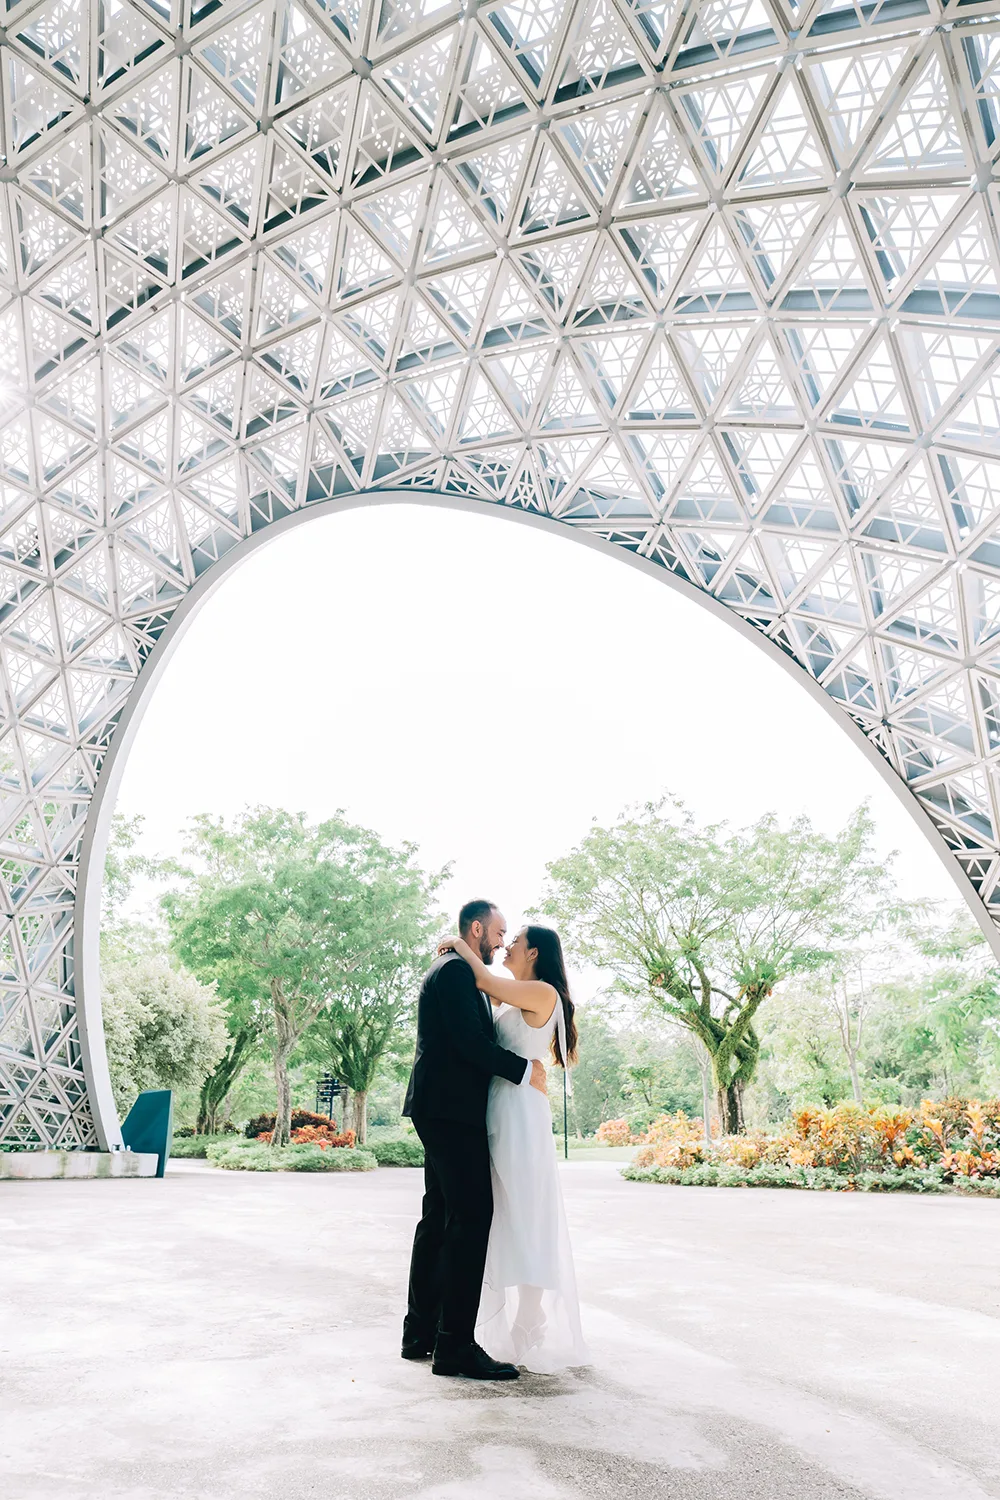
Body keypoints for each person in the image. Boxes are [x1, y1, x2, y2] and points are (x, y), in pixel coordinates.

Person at [401, 898, 548, 1381]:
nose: (504, 941)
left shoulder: (456, 968)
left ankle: (419, 1333)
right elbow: (471, 1045)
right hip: (451, 1111)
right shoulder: (456, 973)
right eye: (500, 932)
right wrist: (526, 1070)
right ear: (479, 928)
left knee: (440, 1216)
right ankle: (455, 1346)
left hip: (442, 1108)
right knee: (471, 1217)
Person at [437, 920, 590, 1374]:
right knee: (502, 1209)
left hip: (521, 1113)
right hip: (498, 1107)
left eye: (515, 941)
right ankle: (515, 1313)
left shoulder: (543, 994)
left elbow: (483, 979)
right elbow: (487, 996)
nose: (506, 946)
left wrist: (460, 945)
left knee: (527, 1208)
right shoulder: (517, 993)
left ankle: (530, 1313)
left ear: (536, 952)